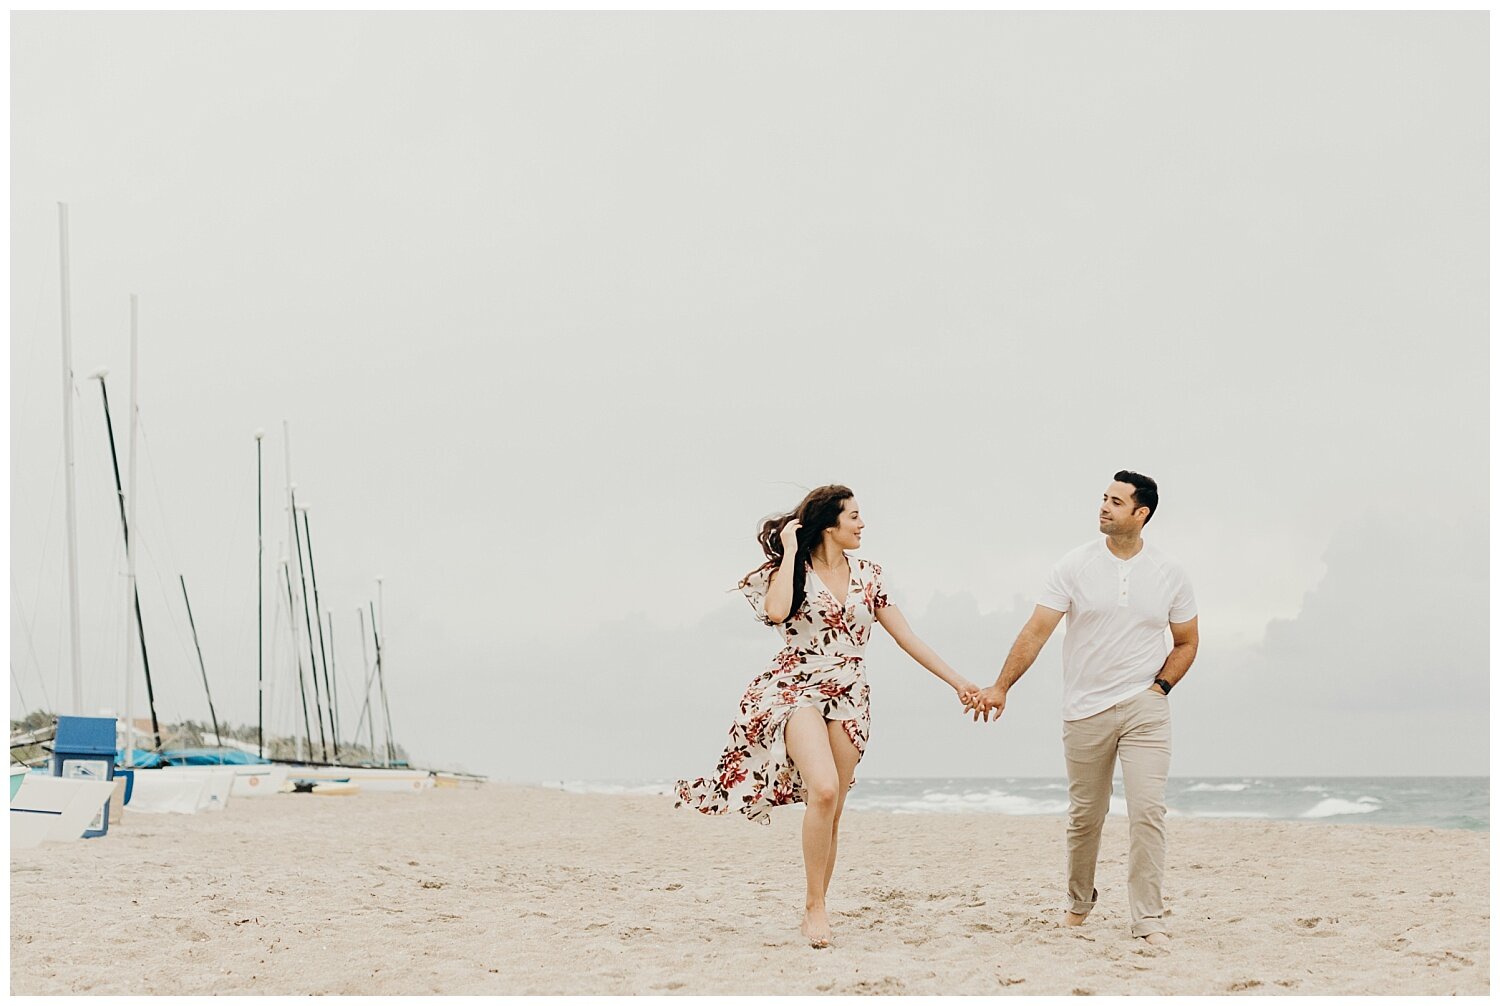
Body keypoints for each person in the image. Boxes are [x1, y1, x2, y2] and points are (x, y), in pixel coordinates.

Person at [676, 484, 979, 948]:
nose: (863, 524)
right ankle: (815, 910)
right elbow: (777, 613)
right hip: (795, 687)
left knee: (832, 810)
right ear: (830, 524)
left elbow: (907, 638)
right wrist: (793, 549)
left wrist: (959, 682)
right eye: (854, 516)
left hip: (851, 692)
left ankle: (816, 899)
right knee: (823, 788)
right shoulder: (791, 570)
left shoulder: (870, 576)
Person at [966, 471, 1199, 947]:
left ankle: (1147, 918)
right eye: (1103, 498)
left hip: (1144, 706)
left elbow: (1187, 642)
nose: (1104, 507)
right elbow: (1036, 632)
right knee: (1086, 816)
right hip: (1085, 709)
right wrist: (1001, 686)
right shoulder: (1073, 566)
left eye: (1116, 501)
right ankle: (1078, 902)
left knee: (1148, 811)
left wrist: (1161, 687)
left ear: (1141, 514)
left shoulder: (1171, 573)